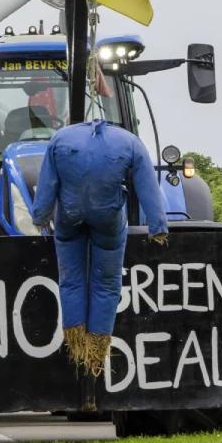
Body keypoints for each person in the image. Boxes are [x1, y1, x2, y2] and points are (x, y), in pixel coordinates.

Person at [31, 119, 168, 376]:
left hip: (69, 216)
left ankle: (75, 345)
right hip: (108, 218)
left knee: (71, 280)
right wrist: (157, 227)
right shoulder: (130, 142)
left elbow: (48, 183)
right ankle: (96, 351)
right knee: (106, 283)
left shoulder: (60, 138)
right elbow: (148, 186)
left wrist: (40, 217)